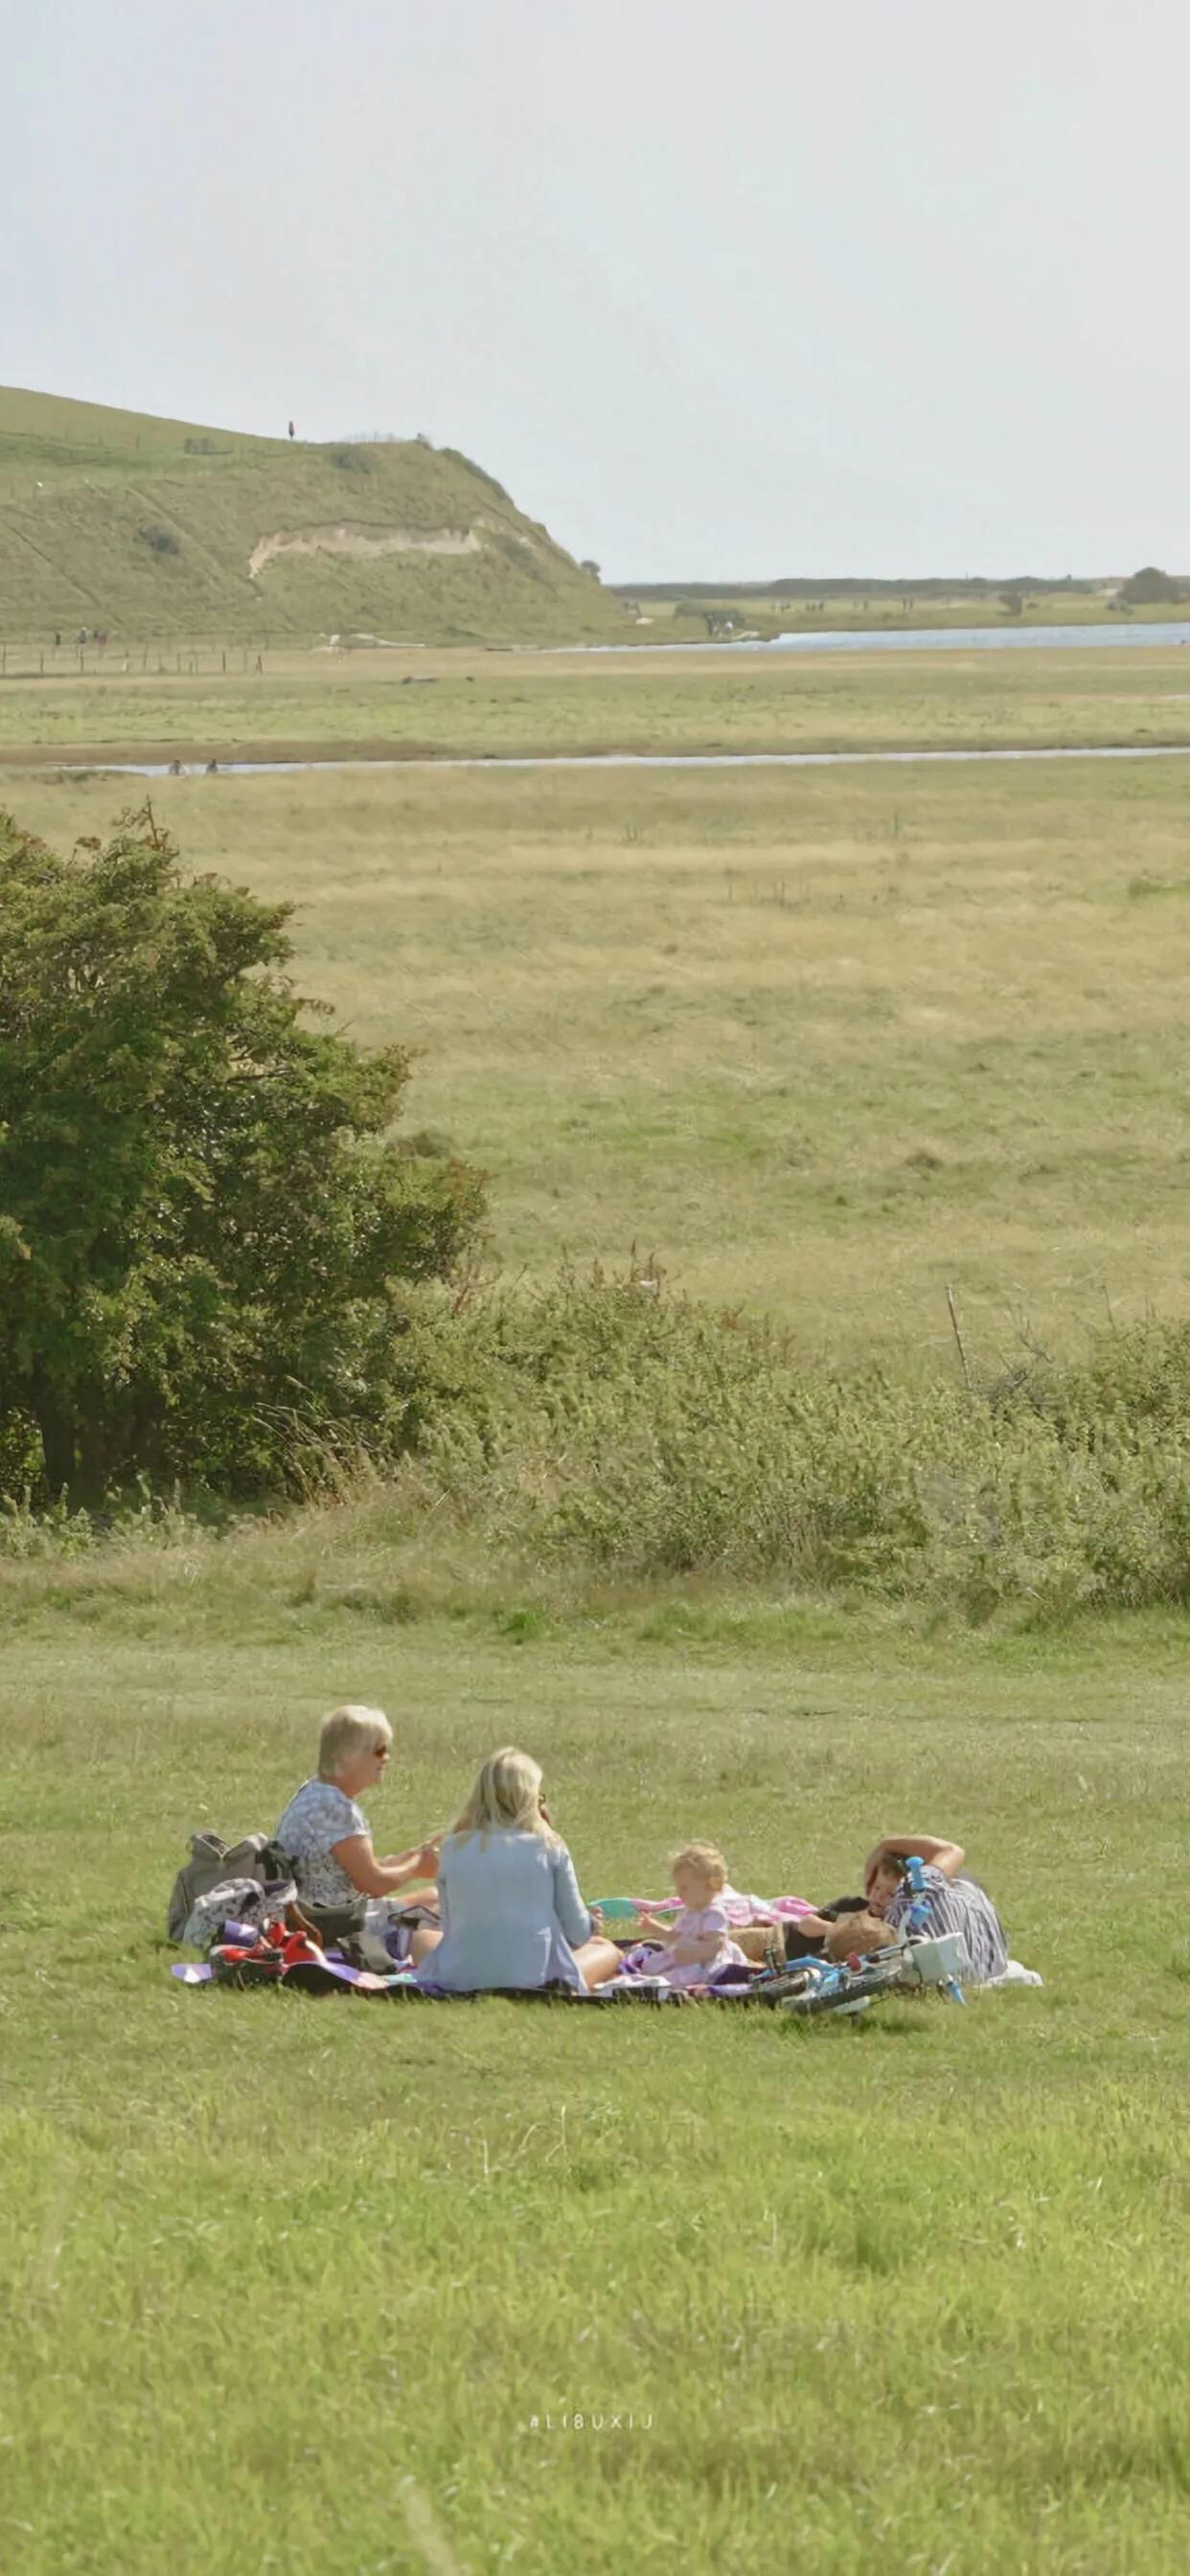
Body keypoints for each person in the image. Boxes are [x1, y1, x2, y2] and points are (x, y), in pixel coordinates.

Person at [417, 1747, 621, 1993]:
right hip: (536, 1978)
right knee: (604, 1948)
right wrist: (592, 1924)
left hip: (461, 1976)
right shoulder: (549, 1845)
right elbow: (577, 1933)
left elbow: (451, 1926)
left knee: (423, 1938)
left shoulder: (452, 1846)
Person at [275, 1703, 441, 1965]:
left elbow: (350, 1871)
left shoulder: (316, 1791)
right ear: (347, 1756)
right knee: (439, 1906)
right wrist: (416, 1867)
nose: (386, 1758)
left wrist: (407, 1858)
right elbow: (372, 1884)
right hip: (337, 1925)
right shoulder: (337, 1807)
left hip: (319, 1916)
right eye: (379, 1750)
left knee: (432, 1898)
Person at [863, 1833, 1010, 1984]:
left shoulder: (908, 1897)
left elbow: (952, 1851)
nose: (879, 1897)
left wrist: (886, 1844)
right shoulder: (947, 1895)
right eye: (877, 1888)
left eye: (889, 1893)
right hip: (992, 1964)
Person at [634, 1842, 748, 1990]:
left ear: (710, 1885)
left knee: (684, 1975)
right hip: (682, 1955)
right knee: (651, 1965)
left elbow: (715, 1945)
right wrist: (654, 1928)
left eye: (684, 1888)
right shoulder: (688, 1911)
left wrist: (693, 1955)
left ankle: (662, 1985)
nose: (679, 1893)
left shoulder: (713, 1913)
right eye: (678, 1887)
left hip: (703, 1962)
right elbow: (675, 1935)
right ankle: (653, 1980)